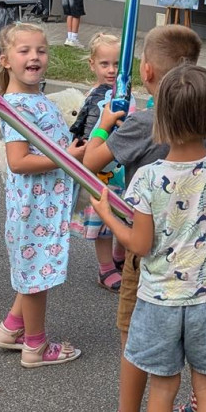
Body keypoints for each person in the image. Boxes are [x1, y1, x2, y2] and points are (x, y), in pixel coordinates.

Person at [92, 64, 206, 412]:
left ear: (160, 119)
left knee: (163, 387)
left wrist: (107, 216)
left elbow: (140, 245)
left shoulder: (149, 178)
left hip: (160, 300)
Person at [83, 24, 203, 412]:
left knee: (133, 334)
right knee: (180, 339)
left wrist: (103, 124)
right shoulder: (197, 122)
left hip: (145, 248)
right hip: (189, 250)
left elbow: (91, 161)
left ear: (147, 72)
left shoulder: (142, 124)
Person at [0, 22, 86, 367]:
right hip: (34, 210)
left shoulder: (36, 99)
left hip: (45, 206)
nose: (35, 57)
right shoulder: (17, 105)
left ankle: (11, 329)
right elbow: (18, 162)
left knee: (35, 272)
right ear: (5, 61)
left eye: (41, 51)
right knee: (35, 279)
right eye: (25, 51)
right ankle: (35, 347)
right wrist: (67, 157)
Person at [68, 32, 129, 291]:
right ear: (92, 64)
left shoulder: (126, 93)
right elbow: (84, 132)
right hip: (100, 173)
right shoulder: (94, 97)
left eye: (117, 64)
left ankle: (120, 256)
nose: (112, 70)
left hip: (123, 170)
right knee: (103, 222)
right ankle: (105, 269)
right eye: (105, 64)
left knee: (126, 216)